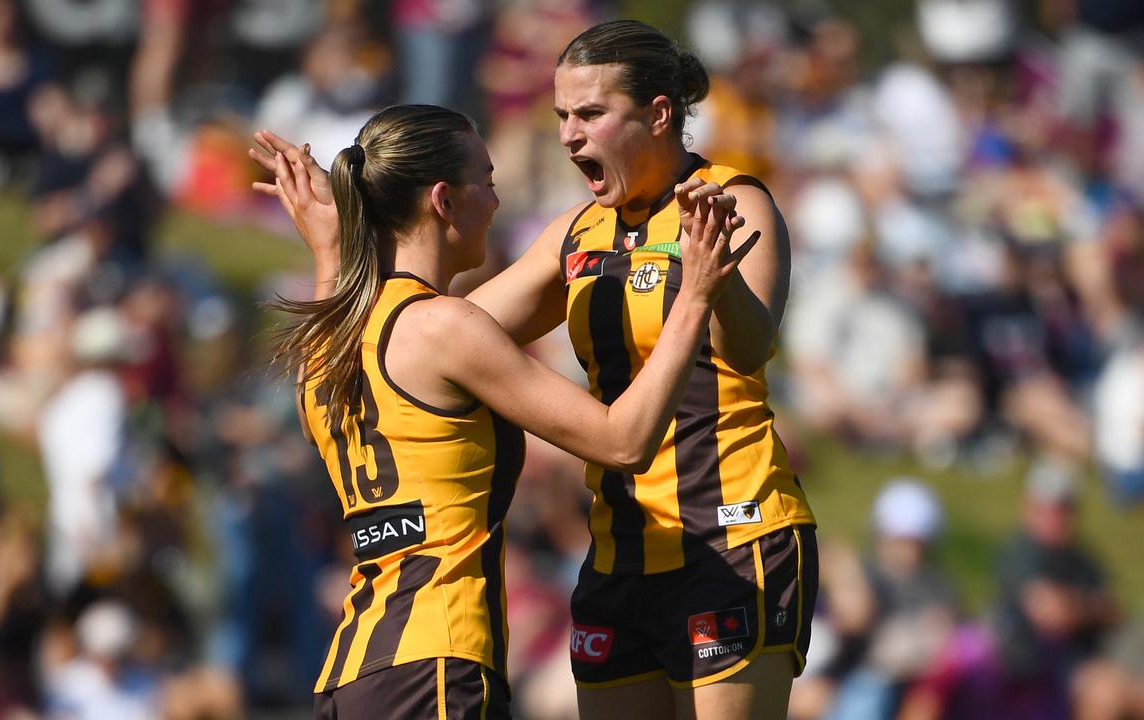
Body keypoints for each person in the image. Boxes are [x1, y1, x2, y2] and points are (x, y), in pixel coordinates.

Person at [253, 20, 817, 718]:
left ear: (658, 115)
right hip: (617, 551)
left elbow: (748, 348)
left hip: (730, 532)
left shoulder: (730, 201)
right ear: (444, 199)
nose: (568, 135)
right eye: (561, 116)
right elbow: (423, 341)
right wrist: (344, 252)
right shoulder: (570, 240)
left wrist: (335, 257)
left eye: (589, 114)